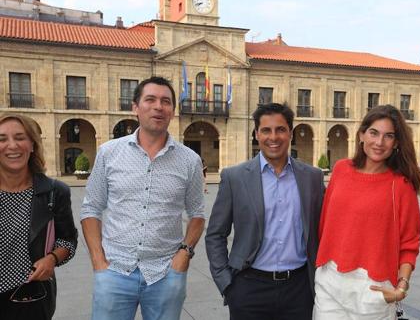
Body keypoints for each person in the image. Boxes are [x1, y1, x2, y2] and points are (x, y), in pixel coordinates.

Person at [80, 77, 206, 320]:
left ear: (172, 111)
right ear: (135, 107)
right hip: (114, 271)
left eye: (166, 102)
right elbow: (91, 209)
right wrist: (98, 261)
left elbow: (197, 214)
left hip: (165, 274)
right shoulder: (109, 153)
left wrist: (184, 254)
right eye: (150, 99)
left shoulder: (189, 160)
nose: (158, 106)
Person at [205, 103, 325, 320]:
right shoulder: (235, 177)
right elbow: (215, 234)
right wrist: (227, 284)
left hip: (299, 290)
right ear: (256, 134)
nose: (274, 137)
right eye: (266, 130)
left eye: (280, 129)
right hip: (249, 288)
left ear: (290, 132)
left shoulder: (312, 178)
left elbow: (325, 230)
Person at [313, 105, 420, 319]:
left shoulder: (400, 184)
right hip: (330, 280)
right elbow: (325, 222)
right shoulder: (341, 170)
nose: (379, 142)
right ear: (362, 134)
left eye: (388, 136)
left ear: (396, 143)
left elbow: (410, 242)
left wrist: (401, 288)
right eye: (373, 133)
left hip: (372, 288)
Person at [0, 114, 78, 320]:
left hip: (28, 297)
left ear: (32, 145)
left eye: (20, 137)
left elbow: (68, 241)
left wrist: (51, 259)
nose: (12, 145)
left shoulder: (54, 191)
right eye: (2, 139)